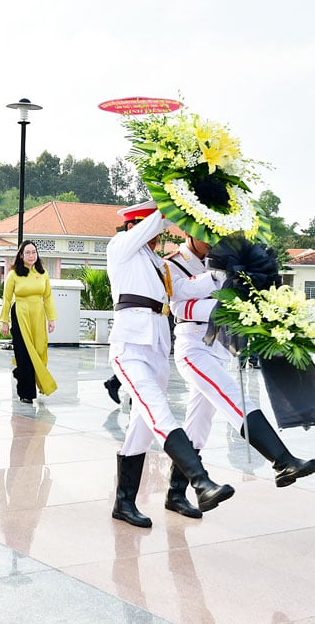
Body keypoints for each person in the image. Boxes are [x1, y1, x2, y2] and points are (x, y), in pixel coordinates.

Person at [162, 234, 315, 518]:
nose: (212, 242)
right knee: (234, 398)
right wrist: (219, 283)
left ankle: (176, 493)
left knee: (198, 425)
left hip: (219, 348)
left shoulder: (229, 258)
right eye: (204, 235)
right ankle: (282, 461)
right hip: (193, 347)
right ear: (188, 233)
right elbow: (177, 299)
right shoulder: (175, 263)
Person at [106, 200, 233, 528]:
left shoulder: (157, 263)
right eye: (151, 228)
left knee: (142, 425)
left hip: (157, 346)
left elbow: (189, 288)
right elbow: (156, 222)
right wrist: (181, 199)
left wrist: (221, 272)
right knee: (158, 412)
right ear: (136, 225)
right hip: (131, 344)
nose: (157, 237)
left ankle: (124, 502)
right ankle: (201, 481)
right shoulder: (121, 246)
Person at [0, 240, 58, 404]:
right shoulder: (14, 274)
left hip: (38, 315)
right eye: (28, 252)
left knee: (39, 350)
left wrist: (51, 318)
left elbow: (47, 297)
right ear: (21, 255)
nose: (31, 255)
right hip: (20, 314)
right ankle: (26, 392)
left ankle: (24, 374)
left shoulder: (43, 273)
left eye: (34, 252)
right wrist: (4, 321)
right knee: (24, 353)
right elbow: (6, 299)